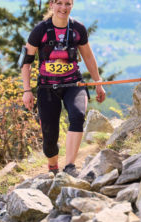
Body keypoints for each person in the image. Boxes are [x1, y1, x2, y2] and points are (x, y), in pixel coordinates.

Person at [21, 0, 105, 177]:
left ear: (72, 5)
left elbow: (88, 57)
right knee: (49, 134)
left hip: (73, 83)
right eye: (59, 3)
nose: (63, 8)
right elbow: (26, 62)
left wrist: (98, 83)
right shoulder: (40, 30)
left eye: (68, 3)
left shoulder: (78, 29)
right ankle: (53, 167)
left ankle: (70, 167)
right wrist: (27, 90)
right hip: (47, 87)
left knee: (77, 115)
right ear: (51, 5)